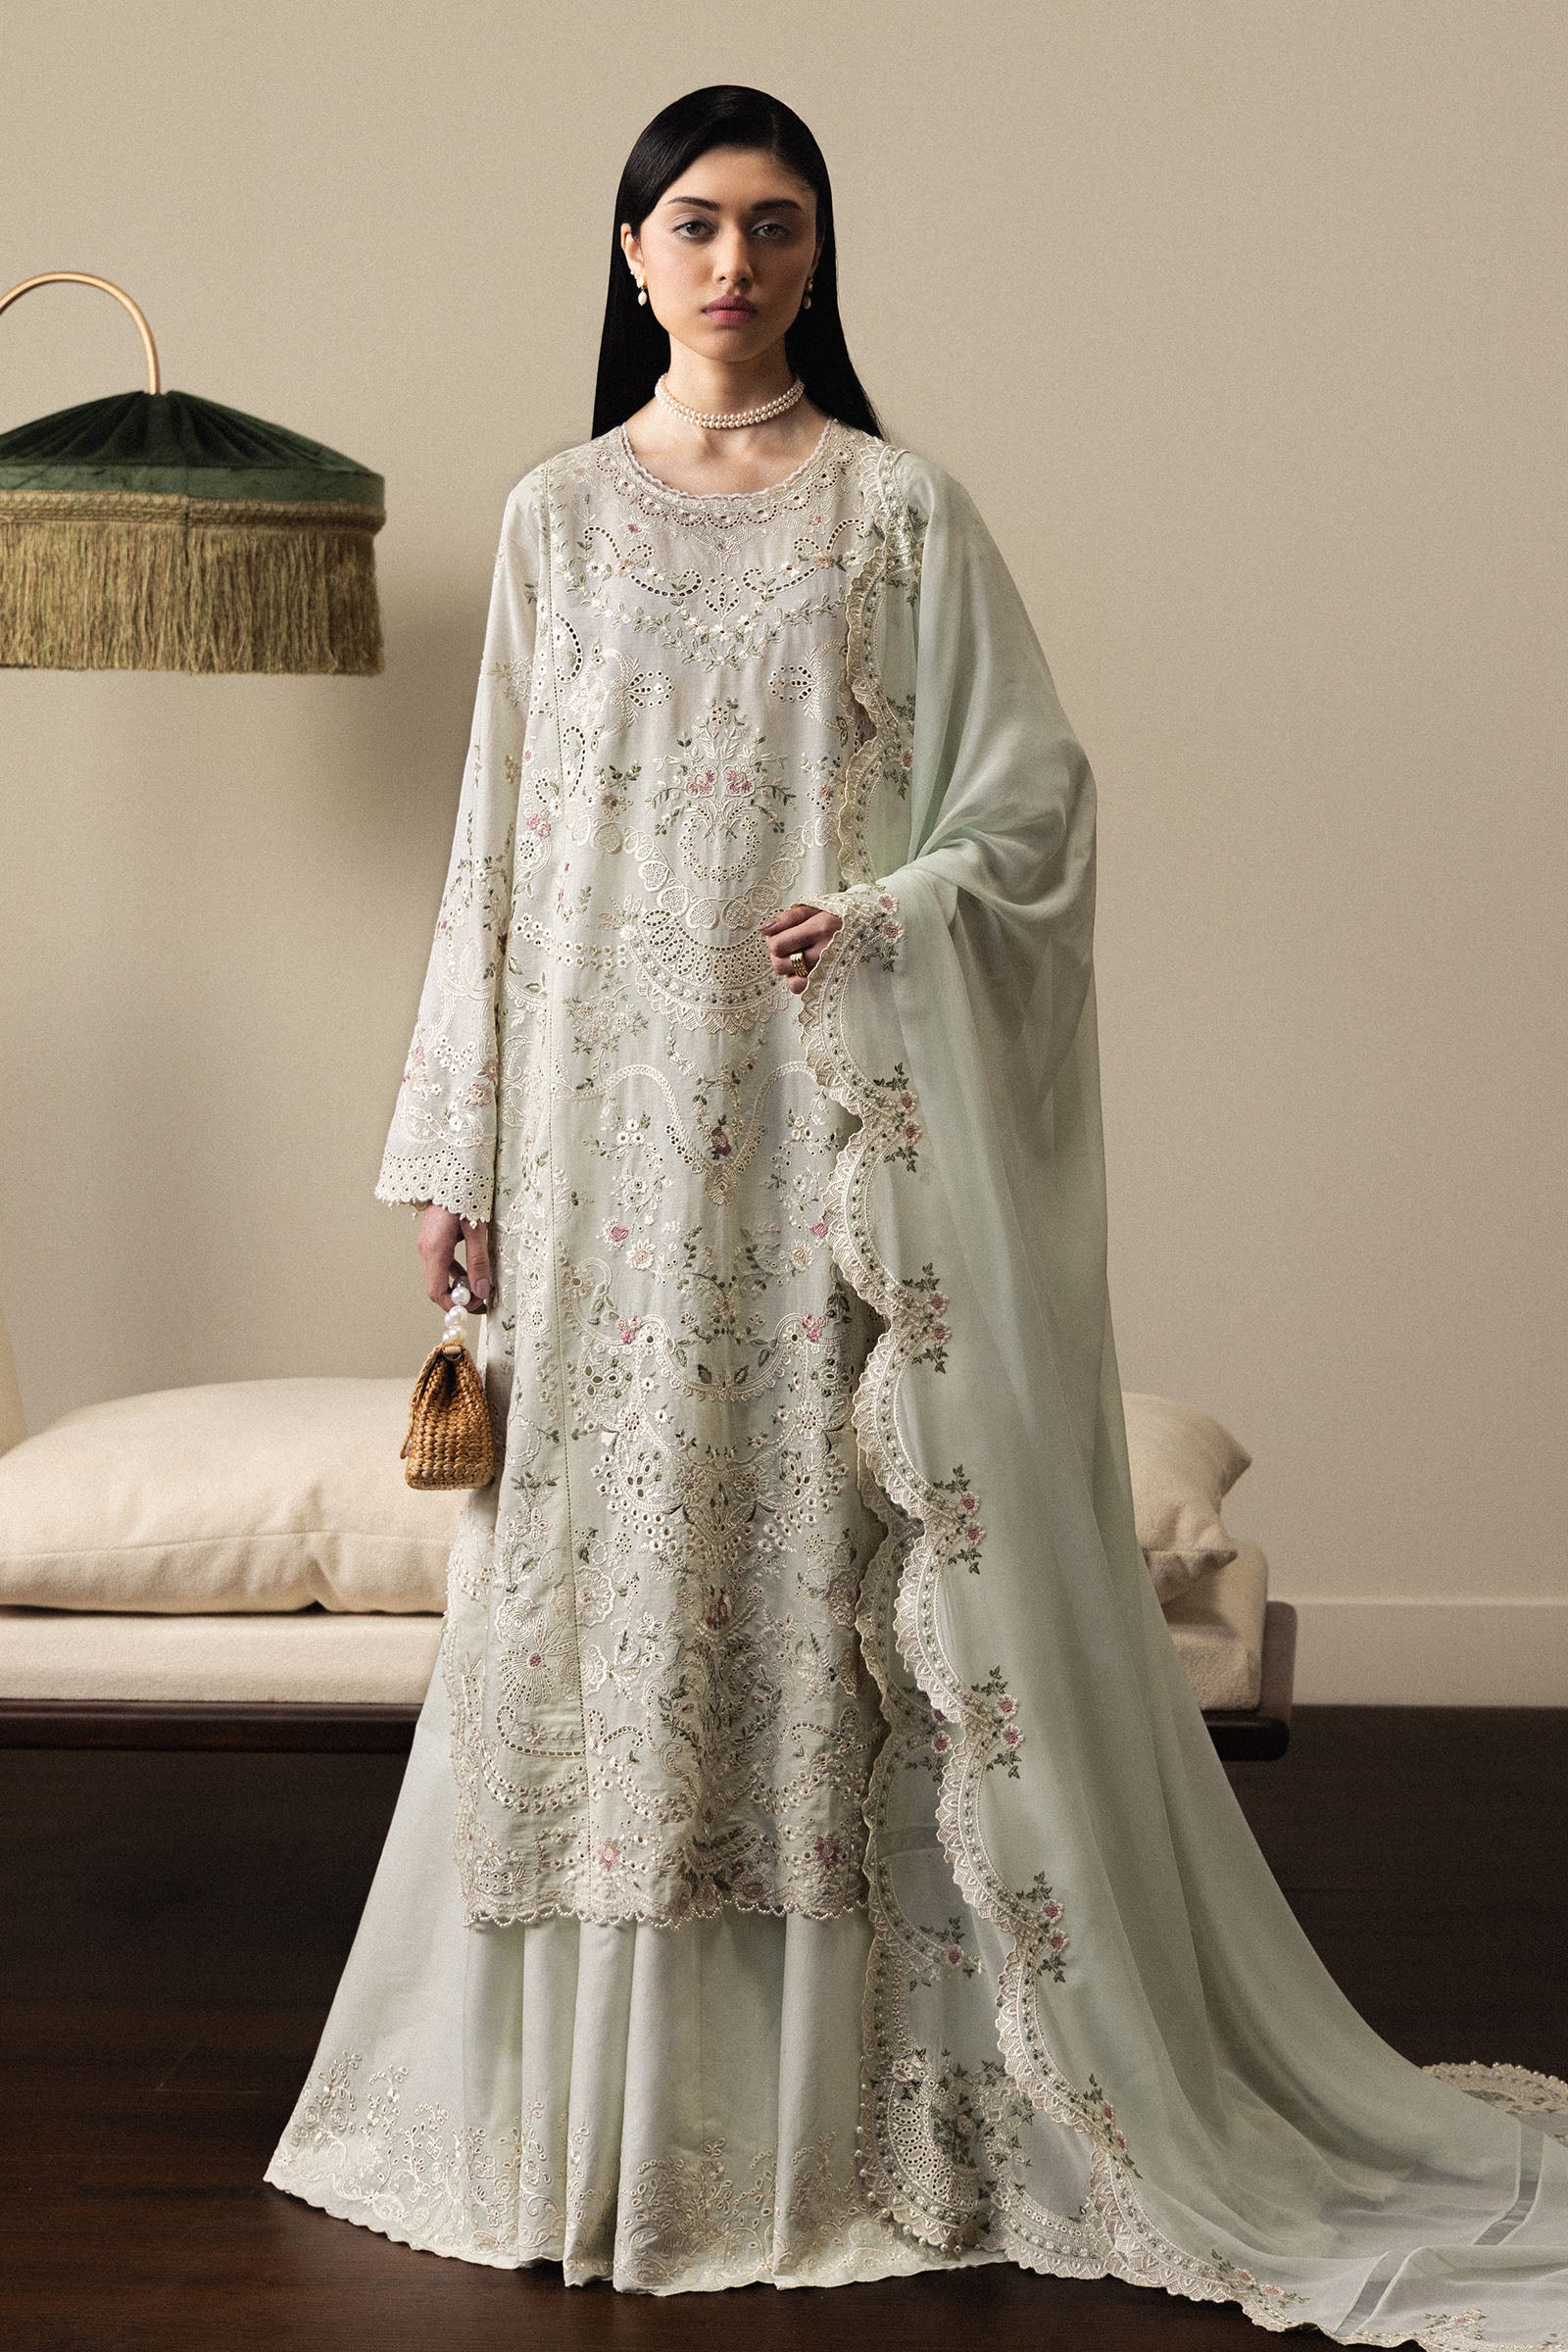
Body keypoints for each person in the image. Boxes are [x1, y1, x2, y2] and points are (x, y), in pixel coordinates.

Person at [265, 83, 1568, 2339]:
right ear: (628, 252)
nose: (735, 263)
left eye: (775, 226)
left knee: (806, 1579)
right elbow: (497, 852)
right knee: (608, 1593)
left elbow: (1031, 809)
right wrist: (455, 1159)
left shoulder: (898, 515)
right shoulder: (556, 522)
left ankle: (853, 2116)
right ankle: (588, 2121)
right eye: (695, 224)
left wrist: (885, 916)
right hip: (596, 1157)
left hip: (825, 1154)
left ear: (815, 255)